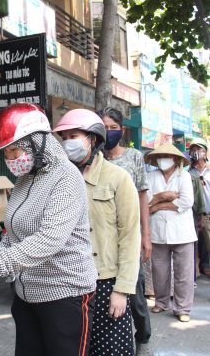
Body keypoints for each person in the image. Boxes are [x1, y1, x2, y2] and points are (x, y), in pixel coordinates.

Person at [0, 103, 97, 356]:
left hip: (65, 297)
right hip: (27, 298)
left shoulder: (66, 177)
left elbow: (49, 240)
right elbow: (14, 236)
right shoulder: (24, 180)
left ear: (36, 143)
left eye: (14, 150)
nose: (10, 159)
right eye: (6, 153)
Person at [54, 109, 141, 356]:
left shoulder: (118, 178)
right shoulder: (60, 179)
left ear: (92, 139)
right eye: (65, 137)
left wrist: (122, 290)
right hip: (70, 285)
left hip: (106, 284)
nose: (69, 142)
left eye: (75, 135)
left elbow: (130, 236)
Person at [97, 107, 152, 354]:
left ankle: (143, 336)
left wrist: (146, 237)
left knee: (136, 295)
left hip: (130, 238)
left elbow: (142, 198)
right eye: (104, 127)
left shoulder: (133, 157)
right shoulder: (94, 158)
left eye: (113, 127)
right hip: (102, 243)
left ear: (122, 130)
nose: (108, 132)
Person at [145, 144, 197, 322]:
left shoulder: (184, 176)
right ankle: (160, 302)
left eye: (167, 155)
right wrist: (162, 196)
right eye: (160, 156)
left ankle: (183, 309)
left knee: (184, 273)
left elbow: (186, 202)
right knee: (159, 271)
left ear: (175, 159)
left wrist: (157, 205)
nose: (163, 159)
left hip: (182, 232)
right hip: (158, 232)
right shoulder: (150, 176)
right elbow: (146, 203)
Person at [188, 138, 210, 276]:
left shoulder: (209, 171)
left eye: (199, 149)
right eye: (194, 149)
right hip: (193, 213)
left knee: (207, 242)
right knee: (193, 242)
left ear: (205, 152)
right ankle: (194, 270)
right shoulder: (187, 172)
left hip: (208, 211)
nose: (197, 152)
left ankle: (205, 264)